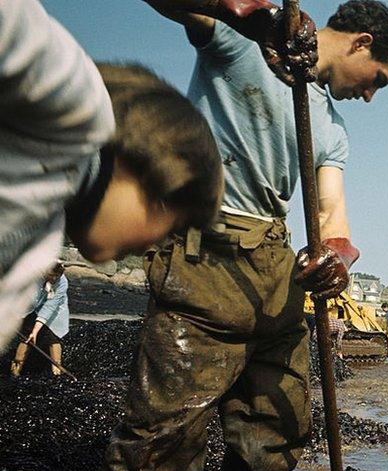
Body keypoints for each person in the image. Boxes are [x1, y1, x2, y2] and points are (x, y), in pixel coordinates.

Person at [82, 1, 388, 471]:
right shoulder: (241, 46)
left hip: (275, 269)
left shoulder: (331, 124)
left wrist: (336, 262)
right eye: (378, 80)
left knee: (276, 417)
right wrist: (247, 12)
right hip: (206, 254)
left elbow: (332, 218)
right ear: (362, 43)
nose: (370, 96)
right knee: (161, 429)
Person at [0, 0, 223, 354]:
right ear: (164, 177)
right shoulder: (76, 102)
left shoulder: (33, 253)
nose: (151, 246)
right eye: (170, 228)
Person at [11, 264, 70, 377]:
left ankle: (57, 372)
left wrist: (36, 331)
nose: (53, 279)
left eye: (56, 276)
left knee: (53, 337)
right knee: (26, 336)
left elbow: (50, 307)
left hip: (54, 310)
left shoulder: (62, 282)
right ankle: (15, 371)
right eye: (51, 275)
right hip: (28, 304)